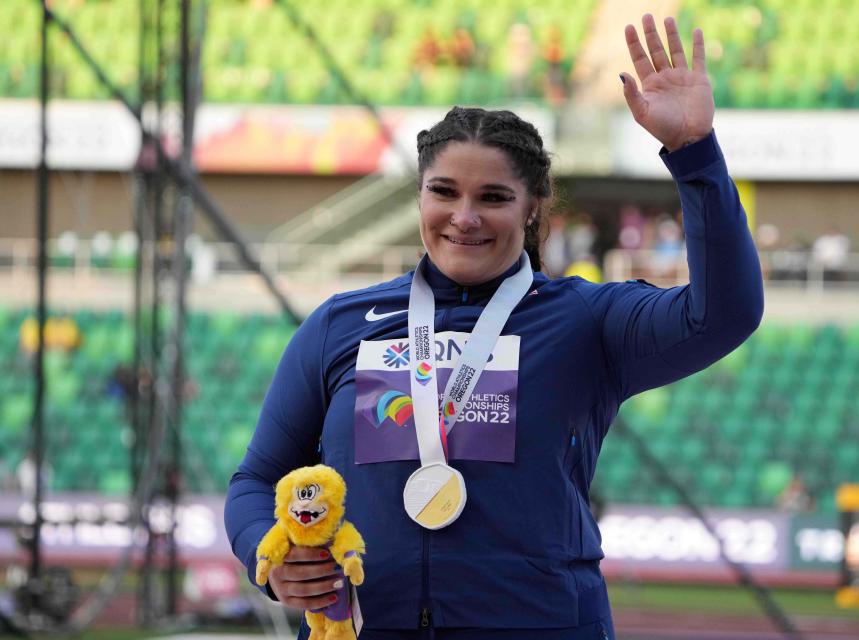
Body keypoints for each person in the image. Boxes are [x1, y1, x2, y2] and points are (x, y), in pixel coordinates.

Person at [225, 15, 763, 639]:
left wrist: (695, 157)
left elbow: (726, 314)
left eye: (494, 198)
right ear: (420, 198)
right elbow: (256, 479)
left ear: (534, 206)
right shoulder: (340, 324)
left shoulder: (586, 321)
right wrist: (268, 552)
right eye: (444, 192)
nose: (465, 218)